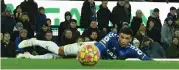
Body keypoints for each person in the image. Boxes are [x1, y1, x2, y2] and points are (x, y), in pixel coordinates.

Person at [17, 27, 151, 60]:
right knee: (59, 51)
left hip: (94, 60)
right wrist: (85, 55)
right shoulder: (111, 36)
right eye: (122, 37)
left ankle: (30, 57)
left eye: (127, 38)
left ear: (131, 39)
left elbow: (148, 60)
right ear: (119, 36)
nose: (123, 40)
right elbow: (98, 48)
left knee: (58, 59)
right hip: (89, 48)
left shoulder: (133, 50)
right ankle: (34, 41)